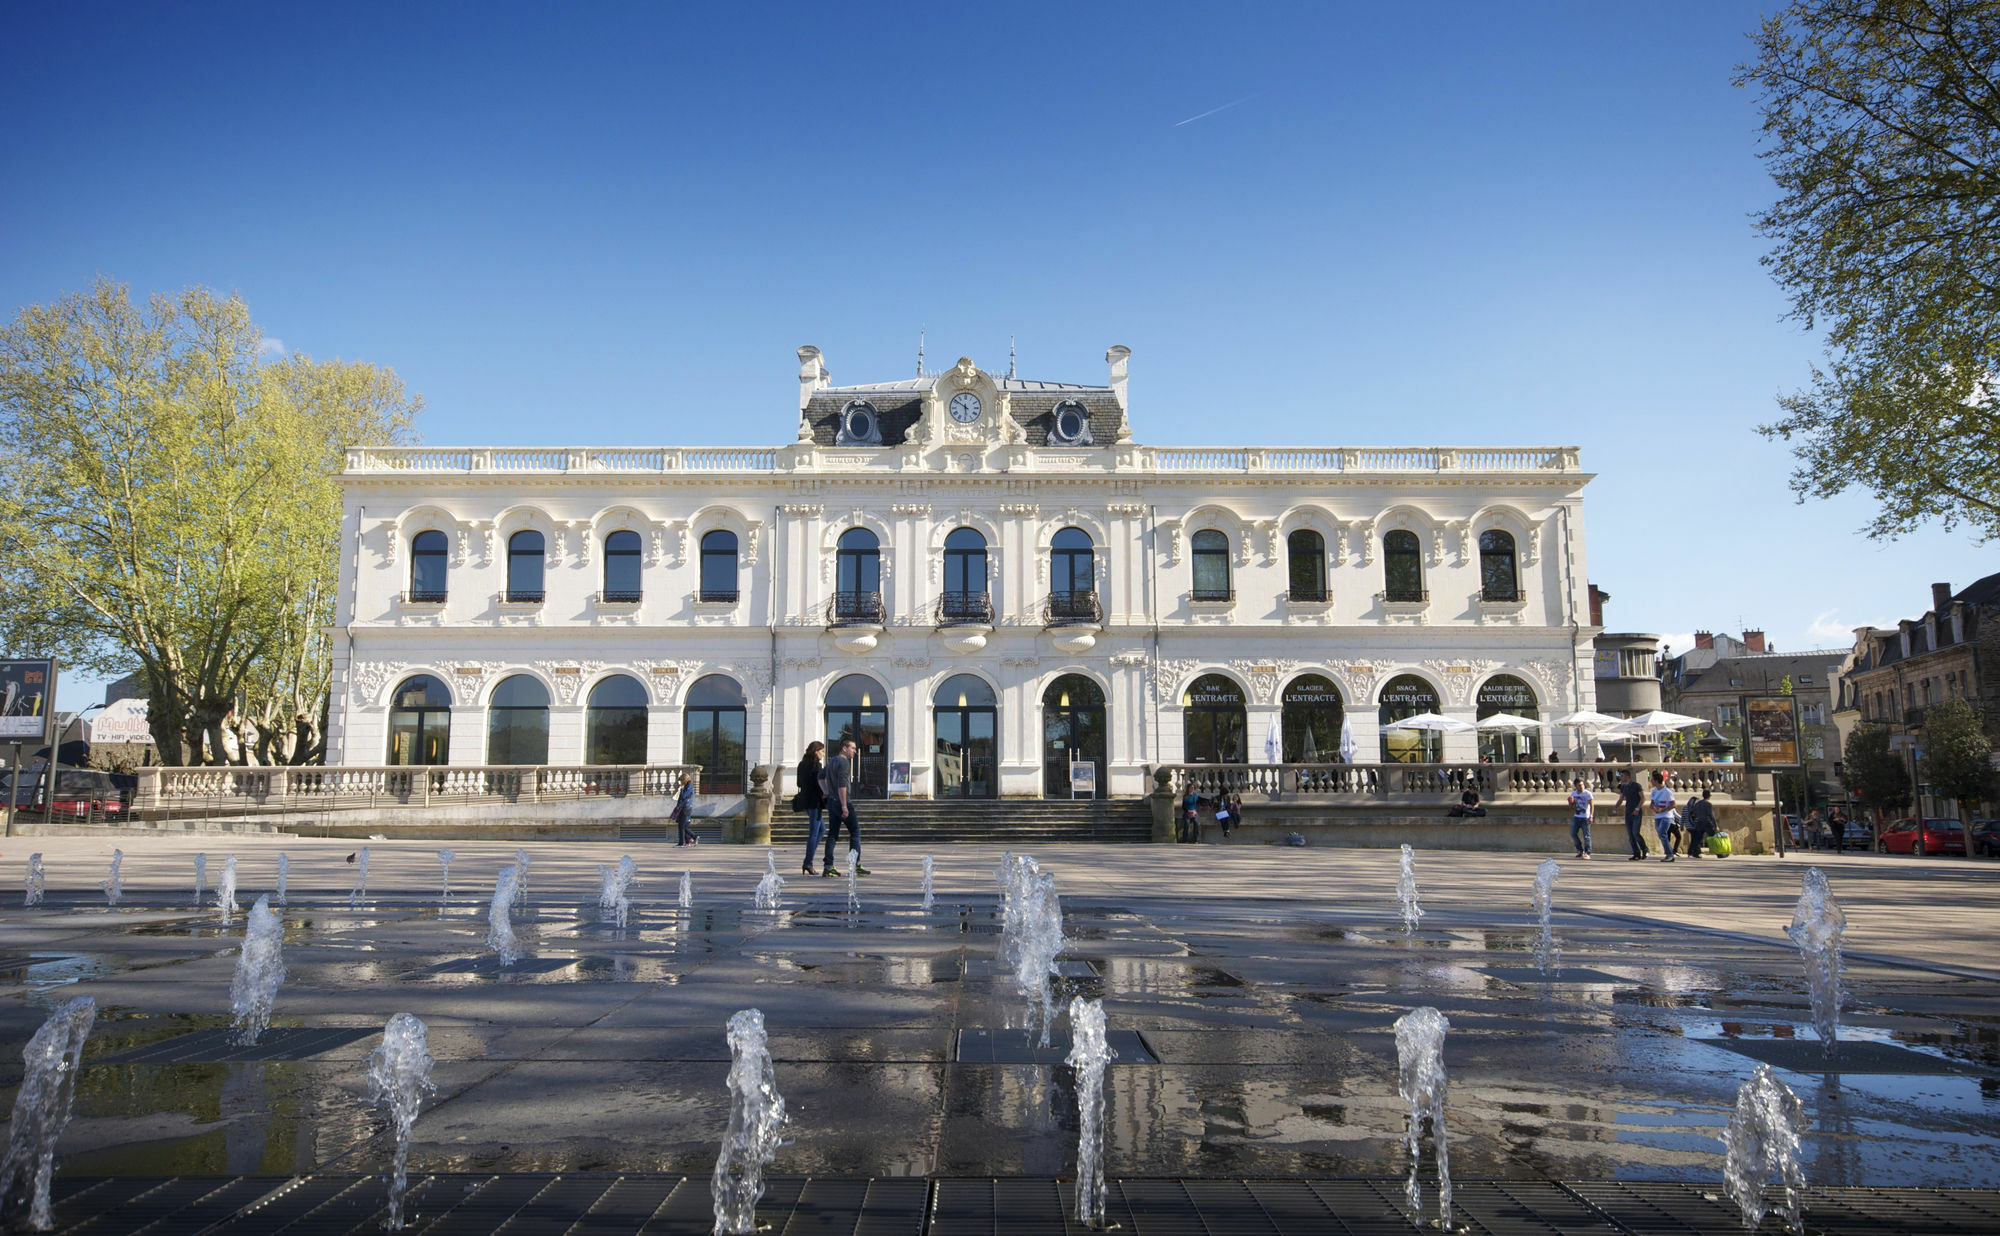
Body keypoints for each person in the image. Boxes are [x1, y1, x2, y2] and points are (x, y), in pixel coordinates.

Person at [821, 738, 870, 876]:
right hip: (842, 801)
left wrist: (826, 791)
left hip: (831, 801)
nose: (855, 751)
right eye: (853, 748)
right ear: (844, 748)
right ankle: (855, 865)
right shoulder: (844, 763)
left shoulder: (831, 761)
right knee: (855, 832)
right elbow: (842, 786)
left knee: (833, 834)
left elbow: (820, 776)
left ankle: (828, 866)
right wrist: (844, 806)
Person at [794, 740, 827, 875]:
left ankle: (808, 860)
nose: (824, 754)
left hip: (805, 800)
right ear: (815, 751)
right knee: (814, 833)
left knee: (821, 830)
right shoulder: (817, 766)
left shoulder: (801, 765)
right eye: (822, 751)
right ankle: (808, 863)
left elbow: (799, 783)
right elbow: (819, 785)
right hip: (814, 802)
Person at [1617, 770, 1647, 860]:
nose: (1621, 778)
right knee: (1630, 835)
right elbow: (1621, 798)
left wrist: (1637, 808)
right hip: (1628, 812)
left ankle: (1644, 849)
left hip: (1636, 812)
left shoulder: (1636, 786)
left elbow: (1643, 798)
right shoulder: (1623, 787)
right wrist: (1615, 806)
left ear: (1627, 776)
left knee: (1635, 833)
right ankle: (1636, 853)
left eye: (1622, 776)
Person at [1649, 770, 1677, 863]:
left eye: (1652, 780)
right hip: (1658, 816)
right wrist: (1654, 808)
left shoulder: (1667, 792)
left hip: (1666, 816)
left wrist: (1663, 809)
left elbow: (1673, 804)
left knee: (1662, 833)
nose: (1651, 782)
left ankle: (1670, 854)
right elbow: (1652, 803)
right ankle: (1668, 853)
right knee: (1661, 835)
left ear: (1656, 781)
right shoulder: (1654, 791)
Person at [1684, 790, 1717, 857]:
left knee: (1697, 839)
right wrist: (1715, 825)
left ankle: (1691, 852)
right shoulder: (1708, 804)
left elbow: (1693, 813)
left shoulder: (1697, 804)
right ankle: (1718, 851)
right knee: (1713, 836)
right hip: (1707, 823)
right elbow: (1711, 815)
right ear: (1709, 796)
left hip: (1699, 823)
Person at [1567, 777, 1593, 858]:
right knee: (1573, 833)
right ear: (1575, 786)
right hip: (1576, 816)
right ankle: (1580, 850)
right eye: (1579, 785)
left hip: (1585, 817)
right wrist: (1570, 802)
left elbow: (1592, 805)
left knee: (1586, 835)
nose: (1581, 787)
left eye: (1582, 785)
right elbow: (1571, 807)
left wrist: (1591, 816)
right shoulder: (1574, 794)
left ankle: (1587, 852)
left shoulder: (1587, 794)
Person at [671, 774, 697, 847]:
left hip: (685, 808)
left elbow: (684, 797)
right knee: (682, 825)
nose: (680, 782)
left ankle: (684, 841)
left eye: (681, 780)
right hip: (682, 807)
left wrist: (681, 790)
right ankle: (689, 839)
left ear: (684, 780)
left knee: (682, 826)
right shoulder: (687, 787)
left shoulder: (689, 787)